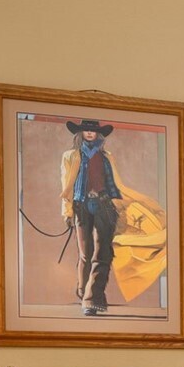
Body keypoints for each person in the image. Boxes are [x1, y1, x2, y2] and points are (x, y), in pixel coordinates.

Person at [60, 119, 123, 316]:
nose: (89, 133)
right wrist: (67, 211)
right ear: (80, 133)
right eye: (86, 130)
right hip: (81, 205)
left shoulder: (106, 156)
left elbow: (115, 181)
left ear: (99, 134)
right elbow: (65, 185)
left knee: (103, 252)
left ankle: (92, 298)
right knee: (85, 254)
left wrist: (120, 205)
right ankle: (85, 291)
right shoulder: (70, 156)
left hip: (104, 204)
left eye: (93, 131)